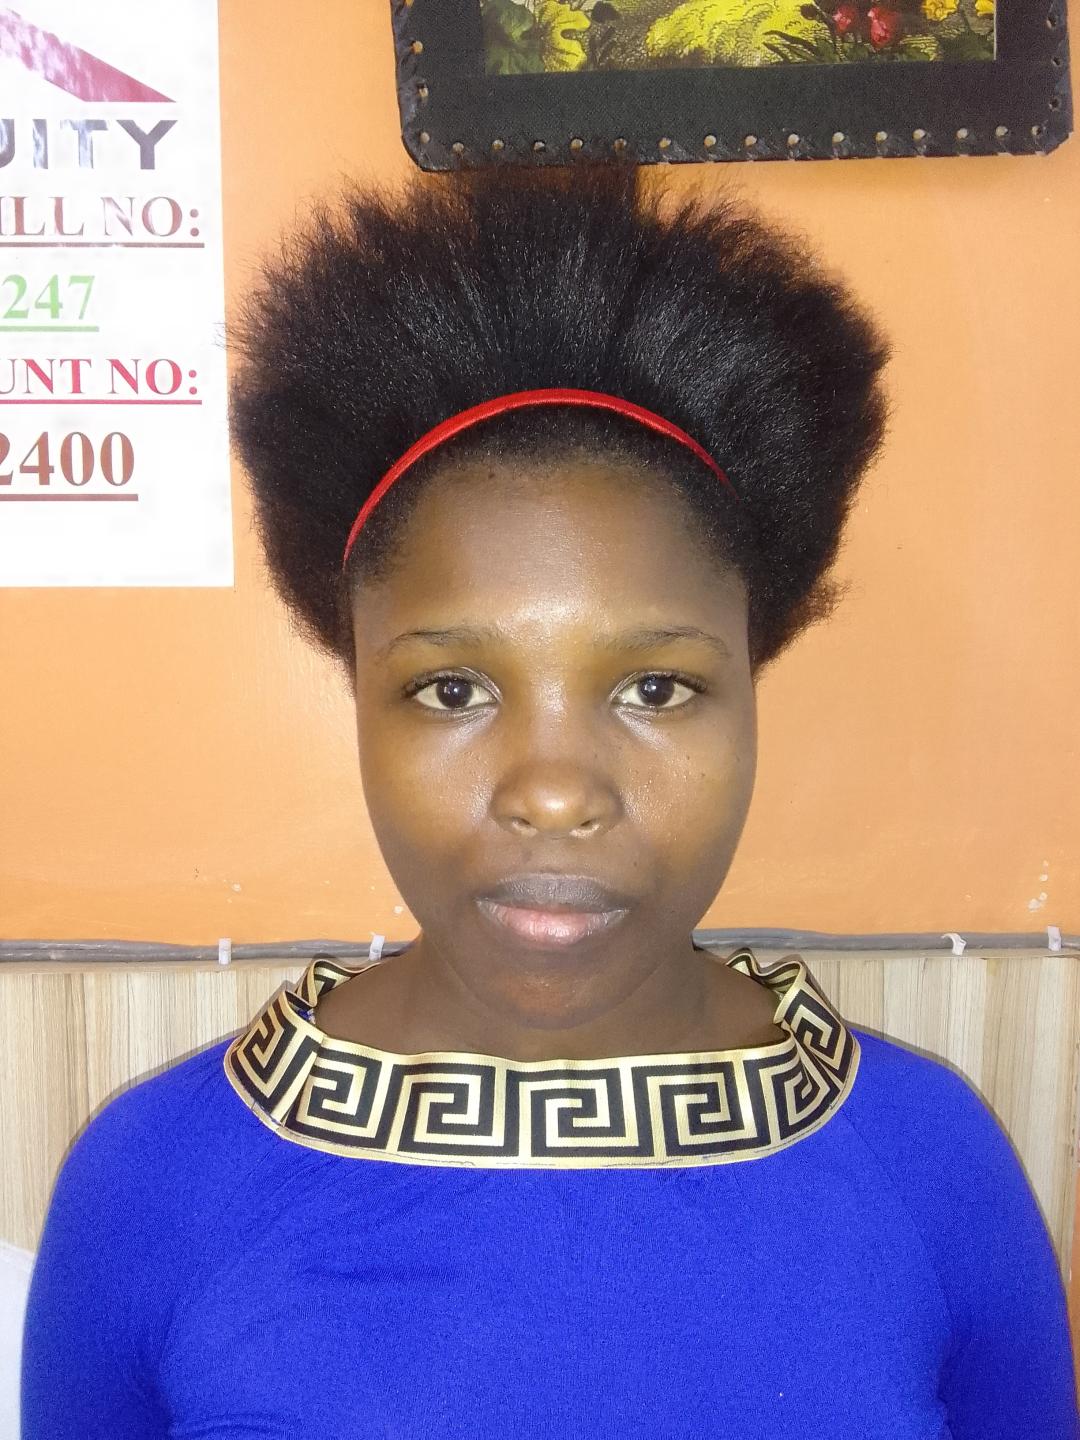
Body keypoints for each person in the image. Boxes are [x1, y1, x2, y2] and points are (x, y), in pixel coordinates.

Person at [21, 164, 1078, 1438]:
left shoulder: (933, 1165)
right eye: (454, 688)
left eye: (656, 686)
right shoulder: (151, 1189)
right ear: (358, 697)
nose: (557, 791)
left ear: (753, 685)